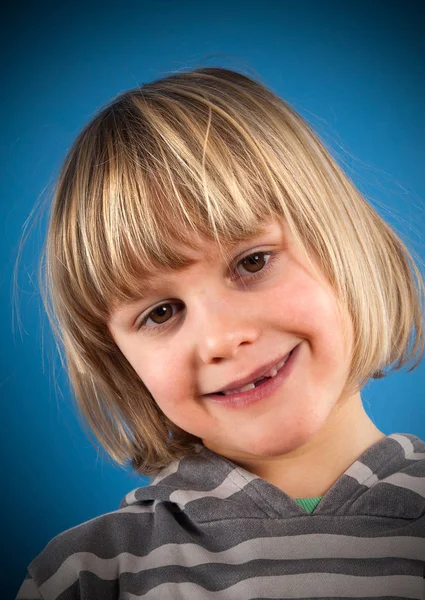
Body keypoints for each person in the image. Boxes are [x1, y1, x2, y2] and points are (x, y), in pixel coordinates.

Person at [17, 67, 425, 599]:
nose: (221, 340)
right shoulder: (89, 576)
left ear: (344, 245)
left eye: (253, 262)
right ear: (120, 362)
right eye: (161, 313)